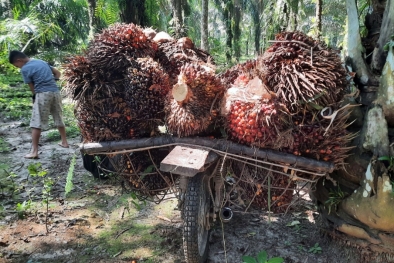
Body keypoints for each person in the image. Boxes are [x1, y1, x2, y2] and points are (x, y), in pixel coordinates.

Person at [9, 50, 69, 159]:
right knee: (58, 117)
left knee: (37, 121)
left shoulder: (25, 68)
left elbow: (32, 87)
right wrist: (52, 82)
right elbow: (58, 73)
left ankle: (34, 151)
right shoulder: (41, 62)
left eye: (16, 65)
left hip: (42, 94)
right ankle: (64, 142)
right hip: (55, 92)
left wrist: (34, 97)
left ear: (19, 60)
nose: (18, 67)